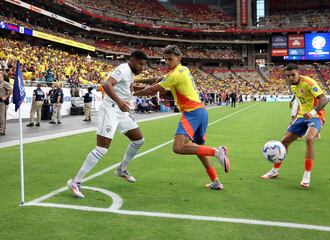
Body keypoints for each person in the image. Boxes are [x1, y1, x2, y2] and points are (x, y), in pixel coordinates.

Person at [133, 45, 230, 190]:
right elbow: (157, 78)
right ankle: (215, 181)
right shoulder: (181, 70)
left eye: (170, 59)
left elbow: (154, 89)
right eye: (165, 60)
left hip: (192, 113)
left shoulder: (175, 74)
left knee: (178, 147)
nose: (167, 62)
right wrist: (137, 80)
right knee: (198, 150)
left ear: (179, 58)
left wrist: (131, 94)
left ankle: (217, 152)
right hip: (201, 112)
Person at [67, 51, 148, 198]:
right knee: (102, 149)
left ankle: (121, 170)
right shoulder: (123, 69)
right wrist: (119, 101)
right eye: (140, 64)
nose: (142, 68)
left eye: (144, 65)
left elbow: (125, 89)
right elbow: (106, 84)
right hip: (110, 110)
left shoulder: (131, 73)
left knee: (139, 140)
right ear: (133, 61)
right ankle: (75, 181)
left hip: (121, 112)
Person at [261, 63, 328, 188]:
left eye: (293, 75)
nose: (291, 78)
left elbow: (324, 99)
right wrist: (295, 118)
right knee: (284, 141)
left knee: (309, 139)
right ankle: (274, 172)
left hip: (316, 115)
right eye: (288, 76)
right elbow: (301, 103)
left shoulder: (309, 83)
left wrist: (312, 112)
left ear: (298, 72)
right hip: (301, 117)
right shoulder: (292, 86)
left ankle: (307, 175)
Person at [0, 71, 12, 135]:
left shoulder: (5, 83)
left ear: (2, 77)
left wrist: (6, 96)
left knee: (2, 116)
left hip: (3, 102)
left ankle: (2, 130)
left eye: (0, 77)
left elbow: (10, 90)